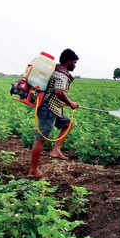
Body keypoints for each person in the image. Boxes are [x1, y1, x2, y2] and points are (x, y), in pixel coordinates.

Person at [28, 49, 79, 178]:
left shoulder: (56, 70)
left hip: (54, 108)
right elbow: (58, 92)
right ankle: (33, 170)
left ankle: (56, 150)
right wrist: (70, 102)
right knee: (41, 138)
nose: (75, 65)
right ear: (68, 62)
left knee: (68, 124)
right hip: (48, 109)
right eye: (74, 62)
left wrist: (65, 103)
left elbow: (54, 92)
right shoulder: (62, 74)